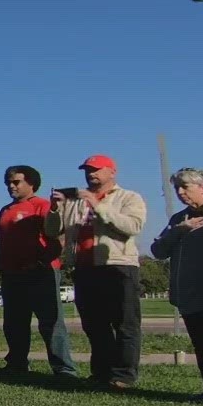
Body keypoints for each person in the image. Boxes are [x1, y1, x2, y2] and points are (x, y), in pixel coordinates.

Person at [46, 155, 148, 390]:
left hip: (117, 264)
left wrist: (96, 203)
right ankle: (101, 371)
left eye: (96, 169)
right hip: (84, 266)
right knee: (94, 324)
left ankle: (124, 374)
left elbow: (132, 226)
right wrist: (55, 208)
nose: (90, 174)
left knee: (125, 323)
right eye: (87, 170)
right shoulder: (75, 201)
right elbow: (52, 231)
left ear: (112, 172)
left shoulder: (128, 197)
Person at [150, 167, 203, 405]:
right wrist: (179, 231)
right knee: (201, 343)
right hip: (187, 293)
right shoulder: (179, 219)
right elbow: (158, 251)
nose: (180, 192)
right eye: (177, 187)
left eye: (185, 186)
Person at [0, 165, 76, 377]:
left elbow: (58, 238)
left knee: (50, 322)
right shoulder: (5, 210)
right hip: (12, 274)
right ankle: (17, 362)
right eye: (8, 183)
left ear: (31, 183)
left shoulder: (42, 206)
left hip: (41, 273)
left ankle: (63, 368)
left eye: (16, 182)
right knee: (14, 322)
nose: (11, 186)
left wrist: (42, 262)